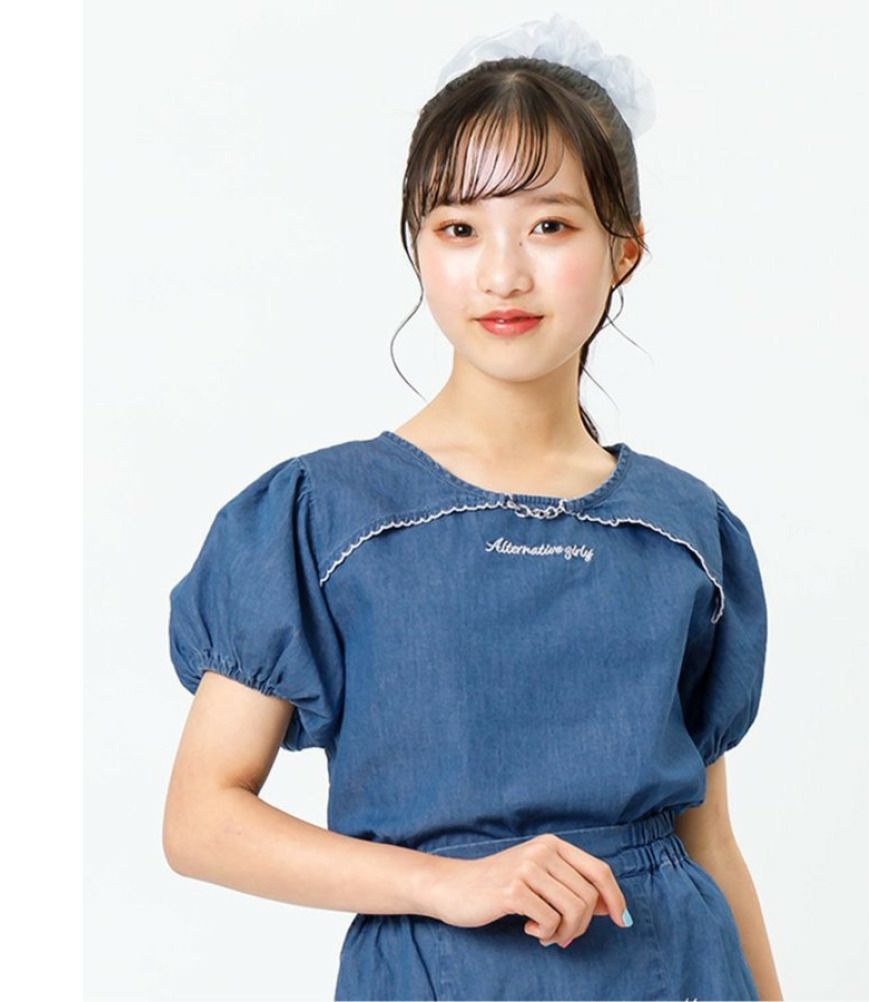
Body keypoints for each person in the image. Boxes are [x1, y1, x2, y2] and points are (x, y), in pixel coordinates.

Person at [163, 14, 783, 1002]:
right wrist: (446, 884)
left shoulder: (684, 527)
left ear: (624, 249)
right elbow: (200, 820)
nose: (502, 273)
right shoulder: (322, 515)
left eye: (550, 225)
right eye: (460, 228)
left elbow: (710, 846)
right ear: (418, 246)